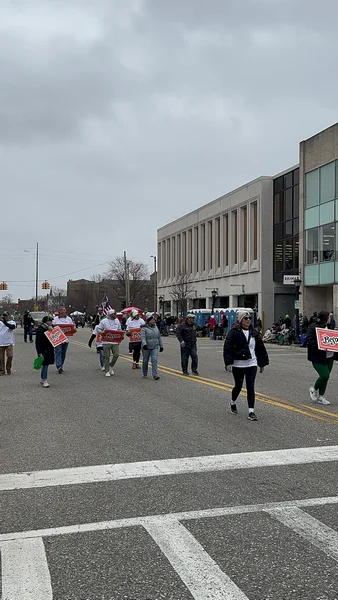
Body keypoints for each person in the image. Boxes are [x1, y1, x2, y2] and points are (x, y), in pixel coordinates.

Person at [223, 310, 269, 421]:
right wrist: (228, 363)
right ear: (240, 320)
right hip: (238, 364)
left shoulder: (254, 332)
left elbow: (259, 348)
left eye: (249, 318)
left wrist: (261, 363)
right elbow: (227, 348)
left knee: (250, 387)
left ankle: (251, 411)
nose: (248, 320)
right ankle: (233, 402)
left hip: (251, 364)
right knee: (238, 386)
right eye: (245, 318)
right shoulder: (233, 333)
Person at [307, 310, 336, 405]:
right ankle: (314, 389)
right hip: (318, 356)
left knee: (326, 378)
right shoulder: (313, 327)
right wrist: (320, 345)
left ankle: (321, 397)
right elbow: (310, 341)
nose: (330, 319)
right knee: (325, 375)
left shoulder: (330, 326)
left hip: (330, 356)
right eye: (329, 317)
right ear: (325, 318)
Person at [96, 308, 122, 376]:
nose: (115, 315)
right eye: (114, 314)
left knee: (116, 354)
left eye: (115, 314)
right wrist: (101, 332)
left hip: (115, 341)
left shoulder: (117, 321)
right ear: (110, 315)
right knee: (106, 356)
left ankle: (111, 365)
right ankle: (107, 370)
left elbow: (119, 329)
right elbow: (98, 328)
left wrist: (120, 336)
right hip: (106, 341)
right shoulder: (104, 321)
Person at [52, 307, 75, 373]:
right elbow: (52, 328)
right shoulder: (55, 319)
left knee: (63, 353)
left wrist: (73, 329)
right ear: (59, 312)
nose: (63, 313)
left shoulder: (69, 319)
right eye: (62, 312)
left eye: (64, 312)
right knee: (58, 351)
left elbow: (72, 327)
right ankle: (58, 366)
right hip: (57, 339)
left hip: (66, 339)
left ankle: (61, 365)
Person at [141, 314, 163, 379]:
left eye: (154, 320)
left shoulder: (156, 327)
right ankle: (145, 373)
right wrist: (144, 344)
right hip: (146, 347)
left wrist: (161, 345)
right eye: (152, 320)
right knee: (145, 361)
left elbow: (159, 337)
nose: (154, 321)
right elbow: (143, 337)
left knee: (154, 360)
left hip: (154, 346)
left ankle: (155, 374)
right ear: (149, 321)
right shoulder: (144, 328)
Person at [35, 315, 54, 387]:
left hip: (49, 349)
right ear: (46, 322)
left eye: (51, 321)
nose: (51, 322)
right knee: (45, 364)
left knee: (46, 364)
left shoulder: (52, 328)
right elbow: (38, 342)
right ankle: (45, 380)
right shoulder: (41, 329)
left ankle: (42, 378)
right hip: (43, 350)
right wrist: (39, 352)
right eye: (50, 321)